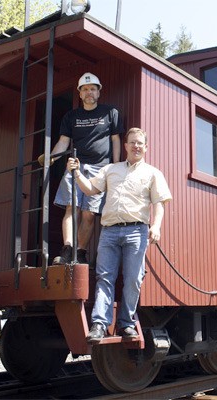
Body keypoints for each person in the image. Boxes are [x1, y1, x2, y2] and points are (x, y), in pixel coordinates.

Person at [66, 127, 172, 341]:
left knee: (133, 279)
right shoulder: (111, 170)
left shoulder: (153, 173)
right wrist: (76, 173)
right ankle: (99, 324)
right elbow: (89, 190)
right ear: (125, 146)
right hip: (109, 232)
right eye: (132, 142)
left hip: (137, 232)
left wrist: (157, 225)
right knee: (105, 277)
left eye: (140, 143)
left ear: (146, 147)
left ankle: (126, 323)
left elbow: (159, 204)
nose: (136, 146)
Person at [39, 72, 122, 264]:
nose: (89, 92)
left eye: (92, 89)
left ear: (99, 92)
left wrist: (116, 167)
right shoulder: (71, 116)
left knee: (89, 213)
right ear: (80, 93)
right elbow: (63, 141)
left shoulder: (110, 113)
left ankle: (81, 251)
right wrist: (51, 158)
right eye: (85, 89)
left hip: (100, 169)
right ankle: (67, 249)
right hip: (75, 166)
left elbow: (116, 139)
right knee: (71, 208)